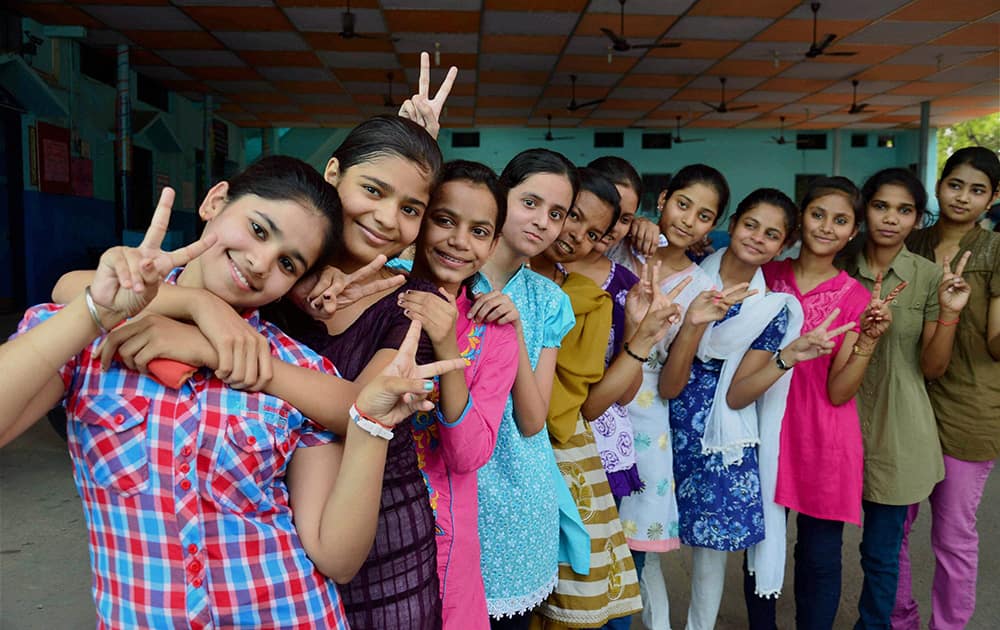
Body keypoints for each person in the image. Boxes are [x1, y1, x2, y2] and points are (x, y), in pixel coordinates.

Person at [0, 157, 463, 628]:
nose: (261, 264)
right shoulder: (90, 328)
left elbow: (335, 557)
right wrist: (99, 311)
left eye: (288, 263)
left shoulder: (298, 367)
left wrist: (373, 428)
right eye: (259, 230)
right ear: (215, 202)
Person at [660, 188, 857, 629]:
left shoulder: (770, 310)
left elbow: (735, 395)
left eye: (771, 234)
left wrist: (788, 357)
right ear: (732, 224)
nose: (757, 238)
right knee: (648, 537)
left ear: (783, 245)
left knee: (709, 554)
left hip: (718, 436)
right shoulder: (687, 280)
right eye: (751, 225)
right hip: (657, 416)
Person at [756, 176, 904, 630]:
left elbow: (839, 392)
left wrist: (869, 342)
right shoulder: (767, 276)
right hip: (762, 427)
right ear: (800, 217)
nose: (826, 227)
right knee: (762, 550)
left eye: (840, 220)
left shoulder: (855, 296)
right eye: (818, 214)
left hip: (823, 436)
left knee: (818, 557)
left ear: (852, 231)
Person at [840, 168, 970, 630]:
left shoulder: (931, 277)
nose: (891, 219)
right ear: (863, 210)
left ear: (918, 218)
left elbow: (933, 368)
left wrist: (951, 313)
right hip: (836, 425)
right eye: (881, 206)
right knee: (817, 547)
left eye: (904, 210)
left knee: (880, 553)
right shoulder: (838, 266)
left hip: (899, 432)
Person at [392, 160, 519, 629]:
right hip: (360, 521)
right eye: (444, 220)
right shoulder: (372, 292)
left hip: (442, 536)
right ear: (419, 218)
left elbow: (468, 454)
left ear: (492, 245)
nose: (459, 241)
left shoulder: (494, 332)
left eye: (479, 231)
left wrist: (447, 344)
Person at [528, 167, 650, 628]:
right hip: (477, 453)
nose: (574, 234)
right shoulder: (481, 275)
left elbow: (567, 410)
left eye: (594, 232)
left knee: (561, 590)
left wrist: (643, 336)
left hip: (557, 453)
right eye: (569, 215)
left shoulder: (586, 300)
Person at [611, 164, 729, 630]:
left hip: (646, 416)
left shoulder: (704, 288)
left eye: (704, 215)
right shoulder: (620, 245)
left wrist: (694, 324)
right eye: (682, 204)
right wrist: (634, 223)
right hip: (588, 395)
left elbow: (672, 384)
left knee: (630, 550)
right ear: (661, 201)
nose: (688, 220)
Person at [465, 148, 578, 629]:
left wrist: (515, 332)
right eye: (530, 202)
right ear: (499, 196)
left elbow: (534, 421)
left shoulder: (548, 299)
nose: (543, 222)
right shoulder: (444, 268)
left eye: (557, 214)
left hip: (517, 496)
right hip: (443, 485)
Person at [894, 147, 1000, 630]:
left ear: (993, 198)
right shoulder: (908, 242)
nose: (963, 197)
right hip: (905, 399)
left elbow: (995, 344)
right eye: (955, 184)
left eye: (977, 190)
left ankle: (948, 627)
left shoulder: (995, 250)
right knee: (893, 527)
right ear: (939, 186)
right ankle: (900, 619)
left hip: (970, 406)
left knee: (953, 534)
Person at [564, 156, 644, 501]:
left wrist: (639, 328)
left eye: (624, 218)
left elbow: (626, 393)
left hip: (601, 443)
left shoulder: (628, 286)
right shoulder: (533, 266)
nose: (611, 224)